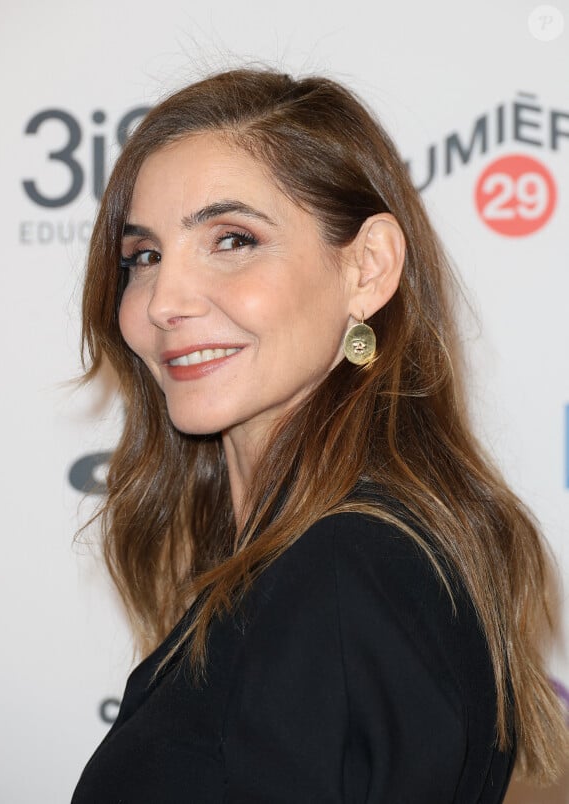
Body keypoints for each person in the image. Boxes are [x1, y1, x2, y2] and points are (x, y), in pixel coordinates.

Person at [72, 68, 567, 803]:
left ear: (367, 269)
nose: (162, 301)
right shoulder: (318, 555)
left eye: (232, 239)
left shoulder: (344, 569)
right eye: (143, 256)